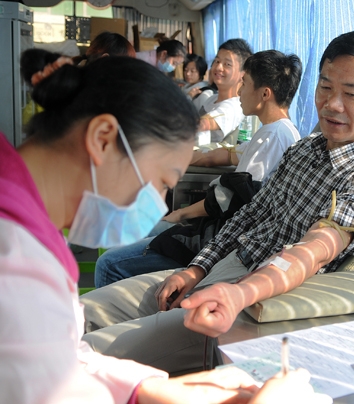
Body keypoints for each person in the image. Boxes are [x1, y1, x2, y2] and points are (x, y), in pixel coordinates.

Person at [0, 48, 328, 404]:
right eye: (159, 181)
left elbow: (55, 358)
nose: (157, 202)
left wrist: (150, 388)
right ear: (103, 139)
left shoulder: (26, 231)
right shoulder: (15, 262)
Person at [80, 29, 354, 375]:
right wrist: (196, 269)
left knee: (89, 356)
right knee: (81, 312)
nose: (332, 104)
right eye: (325, 87)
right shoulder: (304, 150)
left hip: (255, 304)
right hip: (223, 269)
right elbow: (251, 214)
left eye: (351, 94)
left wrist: (239, 293)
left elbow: (313, 250)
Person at [93, 50, 303, 288]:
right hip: (217, 229)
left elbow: (235, 200)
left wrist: (181, 214)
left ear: (265, 94)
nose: (239, 91)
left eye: (244, 84)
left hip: (220, 238)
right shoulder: (277, 132)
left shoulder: (273, 136)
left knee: (109, 263)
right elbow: (226, 156)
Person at [196, 38, 251, 144]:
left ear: (243, 74)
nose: (218, 67)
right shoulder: (212, 99)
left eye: (227, 64)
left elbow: (204, 124)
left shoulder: (234, 106)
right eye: (217, 61)